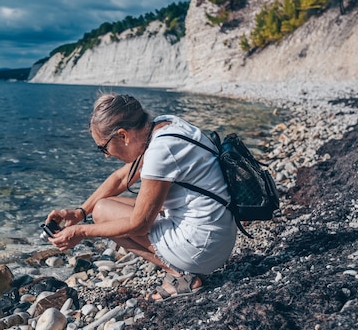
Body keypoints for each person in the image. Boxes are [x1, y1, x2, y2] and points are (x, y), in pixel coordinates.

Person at [45, 93, 237, 301]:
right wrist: (80, 212)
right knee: (104, 205)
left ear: (123, 136)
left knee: (102, 213)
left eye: (103, 147)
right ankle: (184, 267)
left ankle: (183, 274)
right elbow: (121, 178)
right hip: (219, 234)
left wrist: (81, 231)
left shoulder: (160, 150)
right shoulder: (166, 125)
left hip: (204, 247)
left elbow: (139, 225)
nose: (106, 155)